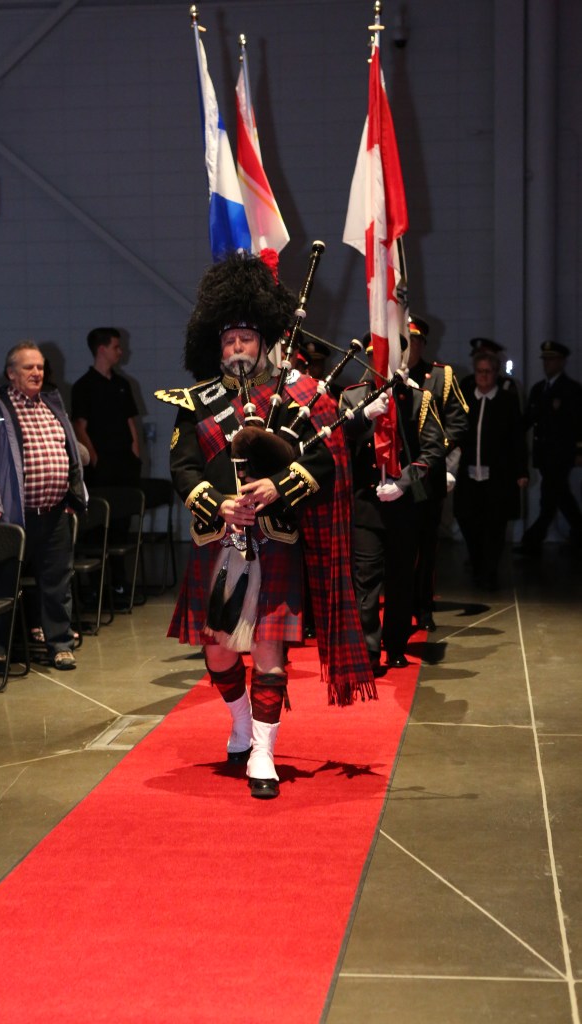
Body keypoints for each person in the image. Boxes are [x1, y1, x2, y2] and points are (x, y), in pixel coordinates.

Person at [155, 250, 373, 800]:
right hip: (220, 541)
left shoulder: (300, 395)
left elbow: (326, 459)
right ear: (217, 345)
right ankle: (239, 721)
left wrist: (279, 486)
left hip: (275, 541)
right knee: (219, 651)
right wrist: (219, 503)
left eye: (245, 339)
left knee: (271, 648)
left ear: (264, 341)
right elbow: (180, 467)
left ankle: (263, 753)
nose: (236, 348)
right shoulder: (196, 403)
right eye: (228, 340)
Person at [0, 341, 86, 671]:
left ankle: (60, 644)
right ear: (10, 374)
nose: (37, 372)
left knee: (57, 583)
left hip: (54, 513)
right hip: (13, 517)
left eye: (40, 367)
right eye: (28, 367)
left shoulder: (52, 404)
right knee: (2, 584)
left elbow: (70, 453)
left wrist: (73, 495)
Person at [341, 341, 447, 675]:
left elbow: (432, 452)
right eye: (377, 356)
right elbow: (337, 438)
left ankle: (396, 643)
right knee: (367, 580)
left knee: (401, 578)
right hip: (367, 504)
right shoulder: (354, 397)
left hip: (404, 505)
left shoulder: (418, 398)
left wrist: (404, 483)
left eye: (390, 357)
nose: (382, 363)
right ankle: (369, 650)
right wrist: (362, 417)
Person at [406, 315, 469, 630]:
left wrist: (433, 453)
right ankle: (401, 604)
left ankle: (424, 605)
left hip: (425, 477)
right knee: (398, 543)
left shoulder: (440, 376)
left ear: (422, 344)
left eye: (415, 340)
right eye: (405, 340)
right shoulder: (387, 375)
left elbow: (459, 422)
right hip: (395, 475)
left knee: (425, 541)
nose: (409, 346)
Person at [454, 352, 528, 588]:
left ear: (496, 374)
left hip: (498, 477)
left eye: (488, 372)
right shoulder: (466, 399)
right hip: (468, 475)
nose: (483, 376)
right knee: (468, 521)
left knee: (495, 526)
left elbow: (517, 439)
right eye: (479, 371)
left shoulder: (506, 401)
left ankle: (489, 572)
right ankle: (477, 564)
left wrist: (521, 471)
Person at [515, 341, 582, 554]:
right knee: (560, 497)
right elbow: (528, 420)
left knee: (550, 498)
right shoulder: (538, 390)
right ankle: (578, 533)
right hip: (544, 455)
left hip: (562, 454)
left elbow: (579, 423)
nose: (547, 363)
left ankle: (532, 541)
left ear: (561, 362)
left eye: (551, 359)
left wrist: (579, 451)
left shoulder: (571, 390)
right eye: (545, 359)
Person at [71, 327, 141, 487]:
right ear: (102, 349)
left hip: (126, 461)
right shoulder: (83, 386)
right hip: (102, 464)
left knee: (129, 507)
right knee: (104, 508)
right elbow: (80, 427)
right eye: (116, 347)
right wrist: (95, 460)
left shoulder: (122, 384)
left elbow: (130, 421)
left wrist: (136, 457)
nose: (120, 352)